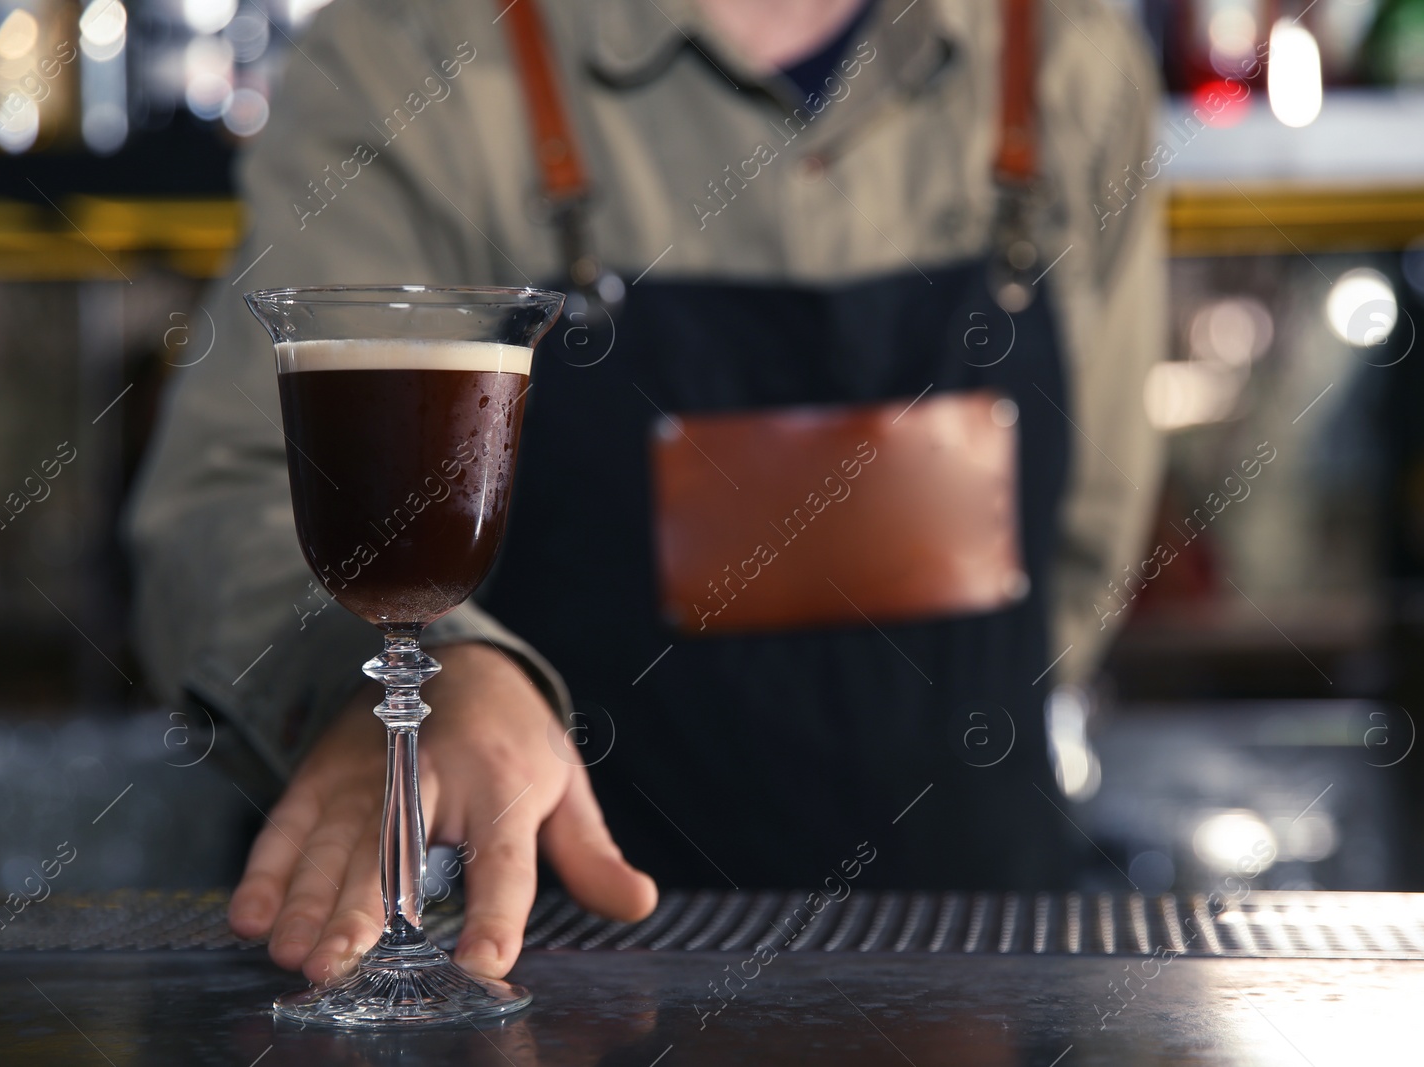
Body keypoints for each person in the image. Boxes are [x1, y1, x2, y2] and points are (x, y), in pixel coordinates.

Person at [127, 0, 1164, 987]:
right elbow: (233, 496)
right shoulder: (414, 53)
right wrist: (401, 672)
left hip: (981, 968)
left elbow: (1088, 546)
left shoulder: (1068, 56)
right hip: (559, 982)